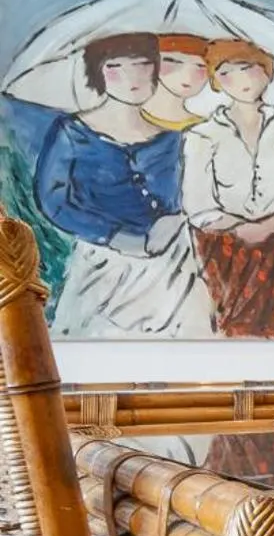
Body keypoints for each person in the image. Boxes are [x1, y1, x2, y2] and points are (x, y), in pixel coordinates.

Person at [34, 31, 213, 336]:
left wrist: (175, 222)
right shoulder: (71, 132)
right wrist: (116, 237)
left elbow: (198, 193)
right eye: (115, 67)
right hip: (102, 266)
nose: (133, 77)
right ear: (98, 74)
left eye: (143, 65)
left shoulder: (175, 137)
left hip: (173, 263)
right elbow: (54, 201)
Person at [182, 37, 274, 337]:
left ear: (267, 71)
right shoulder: (202, 135)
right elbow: (198, 206)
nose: (241, 81)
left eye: (249, 68)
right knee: (233, 329)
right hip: (225, 249)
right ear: (215, 82)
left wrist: (269, 226)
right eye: (226, 73)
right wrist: (240, 228)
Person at [141, 33, 213, 131]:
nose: (188, 76)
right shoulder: (130, 120)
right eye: (173, 61)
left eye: (200, 66)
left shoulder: (207, 128)